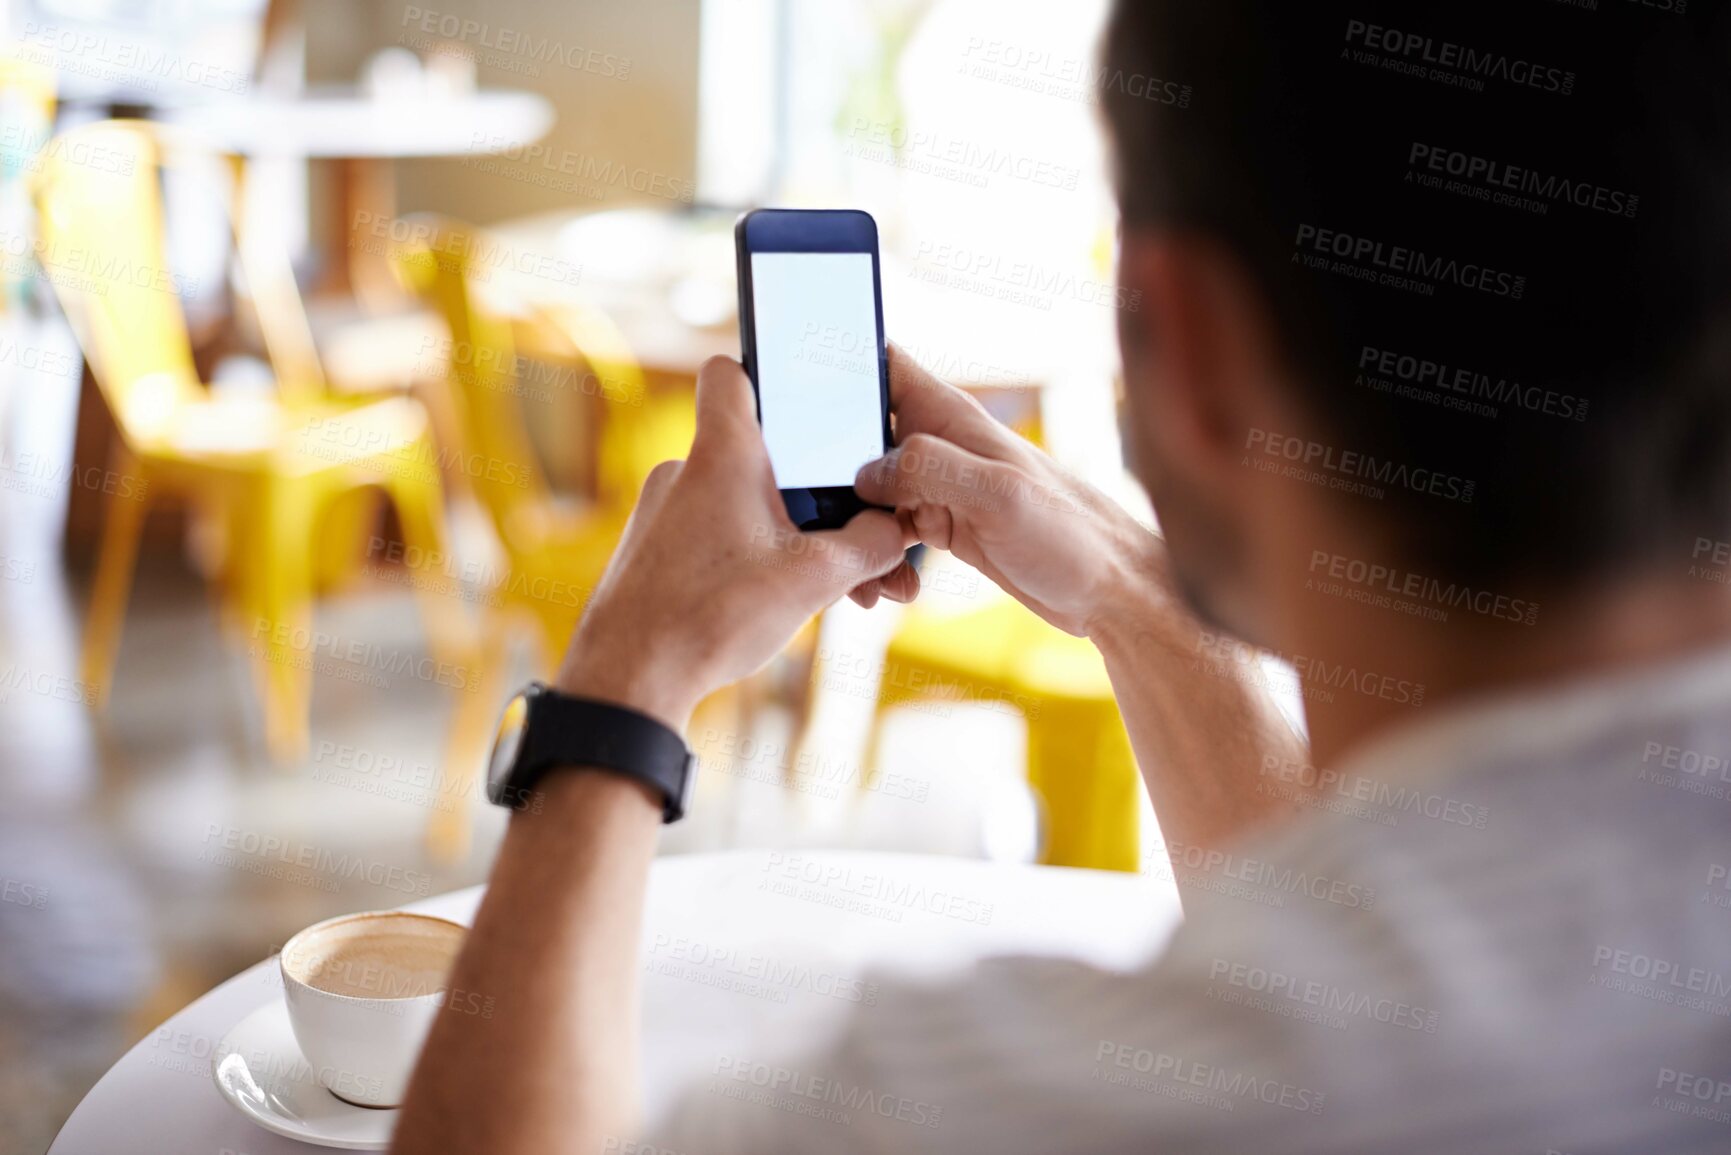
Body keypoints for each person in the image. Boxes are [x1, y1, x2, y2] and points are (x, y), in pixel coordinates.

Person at [393, 1, 1731, 1151]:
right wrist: (1127, 590)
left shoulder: (994, 1104)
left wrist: (625, 683)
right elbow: (1377, 959)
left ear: (1184, 336)